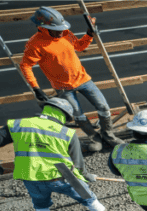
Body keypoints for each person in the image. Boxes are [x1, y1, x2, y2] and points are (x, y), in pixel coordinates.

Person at [0, 97, 105, 211]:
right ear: (64, 116)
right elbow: (78, 164)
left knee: (40, 202)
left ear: (46, 109)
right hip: (62, 176)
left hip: (30, 177)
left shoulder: (18, 125)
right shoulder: (67, 133)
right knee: (87, 196)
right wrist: (86, 176)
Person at [20, 6, 121, 152]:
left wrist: (89, 34)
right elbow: (26, 66)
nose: (61, 31)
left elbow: (79, 46)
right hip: (63, 87)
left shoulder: (66, 34)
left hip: (84, 80)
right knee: (78, 115)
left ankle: (108, 135)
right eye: (57, 29)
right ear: (43, 28)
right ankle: (95, 138)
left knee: (104, 107)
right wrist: (35, 88)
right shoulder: (35, 44)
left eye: (62, 27)